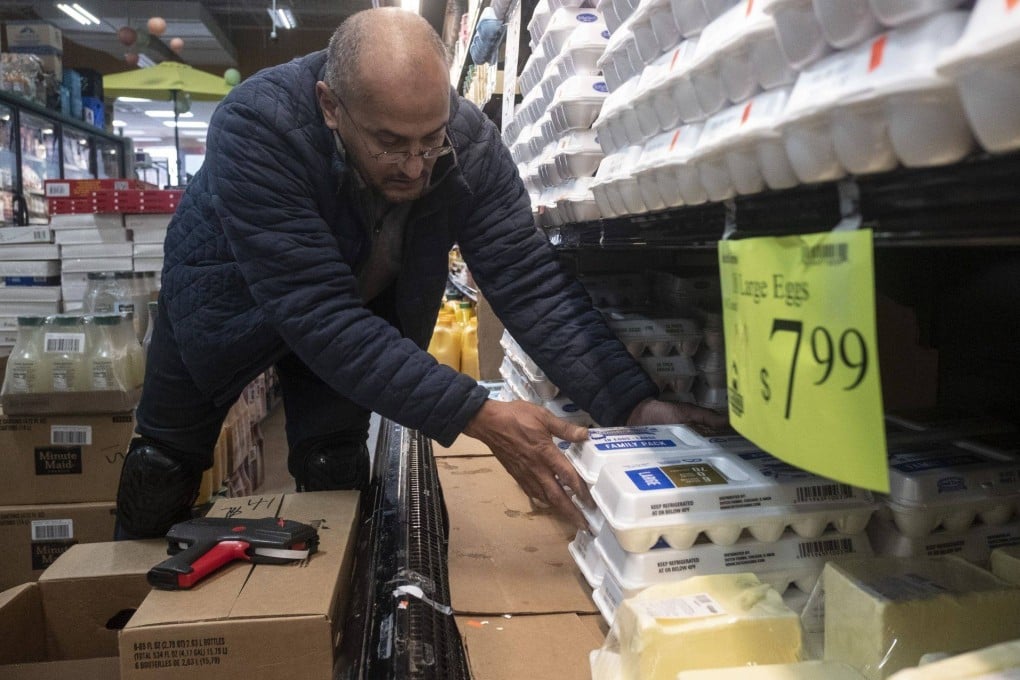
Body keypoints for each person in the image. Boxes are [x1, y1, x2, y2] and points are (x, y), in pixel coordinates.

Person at [115, 8, 726, 539]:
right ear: (331, 106)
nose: (414, 166)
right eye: (389, 142)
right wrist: (476, 416)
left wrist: (632, 401)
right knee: (162, 464)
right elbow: (315, 312)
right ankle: (110, 601)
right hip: (226, 298)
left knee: (334, 465)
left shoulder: (468, 142)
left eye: (429, 140)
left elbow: (529, 281)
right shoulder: (257, 126)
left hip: (354, 312)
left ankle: (317, 622)